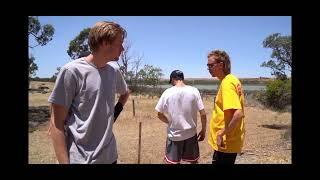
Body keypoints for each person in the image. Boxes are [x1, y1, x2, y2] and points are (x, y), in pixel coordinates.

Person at [47, 21, 130, 164]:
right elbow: (56, 124)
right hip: (80, 159)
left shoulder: (114, 71)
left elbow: (125, 93)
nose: (122, 48)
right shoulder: (72, 71)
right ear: (105, 43)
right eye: (119, 43)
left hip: (110, 158)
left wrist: (115, 113)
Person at [155, 70, 207, 164]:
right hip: (191, 134)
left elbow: (159, 114)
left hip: (174, 136)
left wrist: (169, 122)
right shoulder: (194, 91)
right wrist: (203, 130)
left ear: (173, 79)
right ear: (182, 79)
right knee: (193, 161)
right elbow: (203, 114)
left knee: (172, 162)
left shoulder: (167, 92)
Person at [207, 50, 245, 164]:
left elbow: (238, 114)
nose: (208, 68)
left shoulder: (227, 83)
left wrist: (221, 134)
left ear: (221, 65)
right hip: (228, 141)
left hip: (225, 142)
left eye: (211, 65)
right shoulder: (231, 80)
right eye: (207, 65)